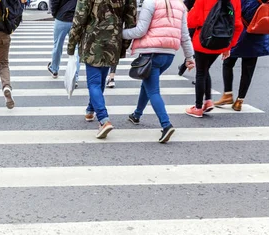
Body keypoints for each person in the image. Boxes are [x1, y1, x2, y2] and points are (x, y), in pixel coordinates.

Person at [123, 0, 195, 143]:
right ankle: (136, 115)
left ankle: (166, 124)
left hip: (151, 54)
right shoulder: (180, 6)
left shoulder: (151, 3)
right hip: (169, 55)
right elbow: (184, 36)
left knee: (153, 90)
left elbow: (140, 30)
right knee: (147, 85)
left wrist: (120, 34)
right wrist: (189, 57)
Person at [68, 0, 137, 139]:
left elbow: (79, 18)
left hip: (93, 40)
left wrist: (71, 44)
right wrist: (124, 44)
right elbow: (131, 20)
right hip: (114, 40)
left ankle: (103, 119)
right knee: (100, 80)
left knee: (93, 83)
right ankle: (90, 110)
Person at [186, 0, 243, 117]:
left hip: (203, 40)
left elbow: (191, 21)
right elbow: (237, 25)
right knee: (206, 69)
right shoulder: (236, 1)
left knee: (201, 72)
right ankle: (208, 101)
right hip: (222, 41)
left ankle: (198, 108)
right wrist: (229, 46)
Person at [214, 0, 269, 111]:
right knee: (248, 70)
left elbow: (237, 12)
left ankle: (228, 94)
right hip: (259, 36)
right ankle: (240, 101)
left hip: (242, 35)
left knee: (228, 62)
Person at [47, 0, 78, 82]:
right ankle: (75, 76)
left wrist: (55, 14)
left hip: (61, 18)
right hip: (76, 19)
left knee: (57, 46)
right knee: (76, 49)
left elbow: (54, 3)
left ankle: (54, 70)